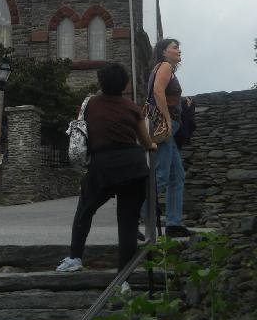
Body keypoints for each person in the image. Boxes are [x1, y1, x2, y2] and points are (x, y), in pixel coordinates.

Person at [56, 63, 157, 276]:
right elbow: (146, 141)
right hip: (133, 167)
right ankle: (123, 280)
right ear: (125, 84)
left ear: (101, 82)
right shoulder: (132, 108)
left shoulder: (90, 104)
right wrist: (152, 146)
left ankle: (75, 257)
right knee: (128, 223)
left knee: (85, 210)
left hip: (102, 167)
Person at [146, 38, 192, 237]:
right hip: (166, 125)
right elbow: (157, 91)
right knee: (162, 174)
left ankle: (173, 223)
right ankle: (135, 215)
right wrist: (167, 119)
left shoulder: (163, 68)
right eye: (175, 47)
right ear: (164, 52)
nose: (178, 50)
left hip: (168, 126)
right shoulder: (164, 66)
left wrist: (182, 101)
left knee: (176, 176)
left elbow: (162, 92)